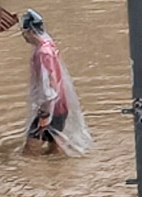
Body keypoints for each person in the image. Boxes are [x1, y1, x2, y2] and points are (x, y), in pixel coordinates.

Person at [17, 10, 91, 156]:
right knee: (55, 150)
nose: (23, 36)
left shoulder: (42, 53)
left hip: (51, 108)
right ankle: (60, 176)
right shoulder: (49, 45)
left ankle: (31, 177)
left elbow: (48, 84)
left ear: (31, 31)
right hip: (61, 106)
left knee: (29, 152)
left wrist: (45, 114)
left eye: (24, 32)